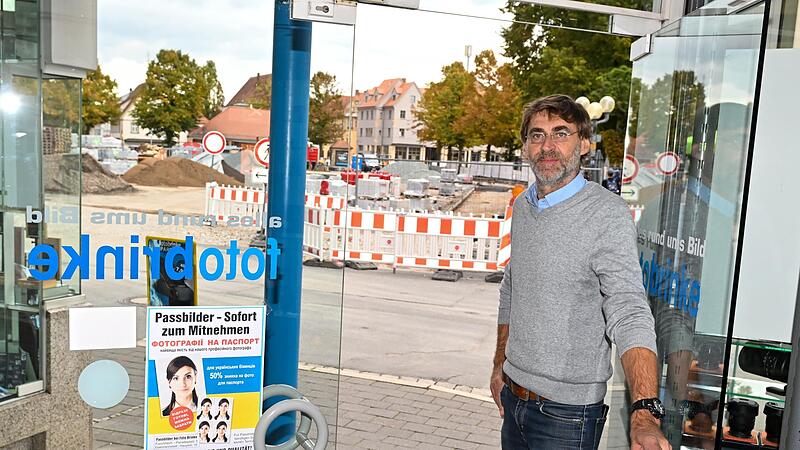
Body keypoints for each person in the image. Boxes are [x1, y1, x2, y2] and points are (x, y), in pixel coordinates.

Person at [490, 94, 670, 450]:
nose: (547, 146)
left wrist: (645, 411)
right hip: (513, 396)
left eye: (561, 133)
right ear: (525, 147)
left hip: (568, 414)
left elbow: (628, 309)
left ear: (584, 143)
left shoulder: (607, 214)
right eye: (537, 135)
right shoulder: (523, 206)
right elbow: (512, 287)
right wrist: (499, 365)